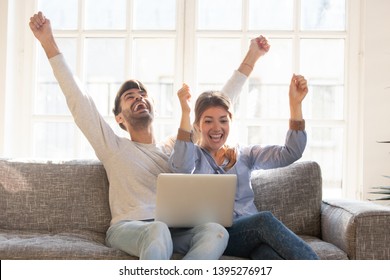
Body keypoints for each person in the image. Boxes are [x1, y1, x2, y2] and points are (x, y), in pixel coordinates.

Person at [29, 11, 270, 259]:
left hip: (174, 229)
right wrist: (48, 42)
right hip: (130, 228)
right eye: (129, 97)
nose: (138, 98)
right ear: (119, 118)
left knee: (216, 231)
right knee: (158, 230)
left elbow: (216, 109)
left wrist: (251, 58)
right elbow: (79, 101)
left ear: (153, 105)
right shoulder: (113, 146)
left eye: (142, 94)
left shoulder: (177, 148)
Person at [169, 76, 320, 259]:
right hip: (217, 237)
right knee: (264, 220)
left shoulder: (245, 154)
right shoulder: (192, 156)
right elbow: (181, 170)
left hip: (248, 237)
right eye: (208, 121)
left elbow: (290, 152)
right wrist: (185, 112)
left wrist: (295, 105)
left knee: (269, 256)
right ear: (197, 126)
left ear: (230, 122)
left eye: (223, 120)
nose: (217, 128)